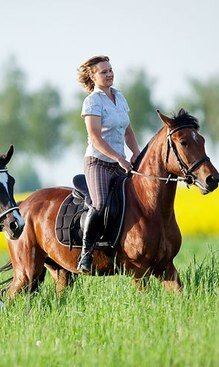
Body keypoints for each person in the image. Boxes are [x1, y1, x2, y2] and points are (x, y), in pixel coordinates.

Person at [76, 55, 141, 273]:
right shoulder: (92, 102)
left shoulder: (120, 97)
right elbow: (95, 138)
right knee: (101, 203)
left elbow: (128, 130)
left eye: (111, 70)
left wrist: (137, 153)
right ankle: (86, 254)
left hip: (119, 162)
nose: (109, 74)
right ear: (93, 76)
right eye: (103, 72)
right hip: (98, 162)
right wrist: (119, 158)